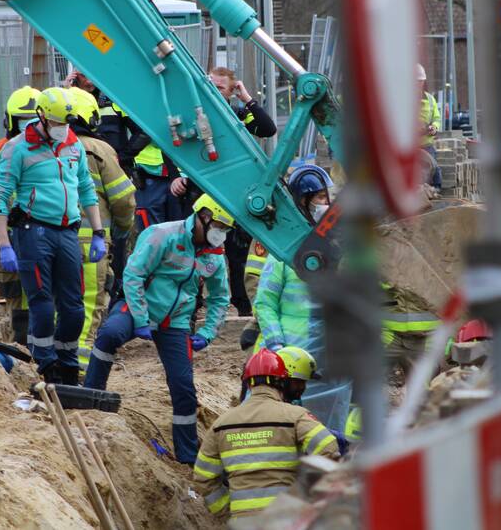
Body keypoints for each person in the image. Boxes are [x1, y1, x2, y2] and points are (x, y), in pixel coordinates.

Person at [84, 194, 232, 464]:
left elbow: (220, 297)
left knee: (184, 387)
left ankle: (187, 456)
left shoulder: (215, 257)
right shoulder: (162, 235)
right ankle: (91, 401)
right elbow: (134, 274)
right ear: (203, 217)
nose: (220, 234)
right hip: (138, 307)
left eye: (225, 229)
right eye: (218, 226)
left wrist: (208, 332)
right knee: (109, 335)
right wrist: (141, 319)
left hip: (175, 321)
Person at [0, 86, 107, 385]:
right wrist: (4, 244)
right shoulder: (17, 148)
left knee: (74, 307)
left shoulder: (73, 144)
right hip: (33, 231)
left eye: (66, 124)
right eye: (56, 124)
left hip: (67, 232)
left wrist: (97, 232)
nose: (61, 130)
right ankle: (44, 364)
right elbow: (0, 196)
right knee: (41, 305)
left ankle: (67, 364)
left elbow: (85, 188)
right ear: (41, 117)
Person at [251, 164, 352, 432]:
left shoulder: (344, 247)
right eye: (320, 198)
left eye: (328, 197)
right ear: (304, 202)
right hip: (288, 354)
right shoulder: (287, 252)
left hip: (332, 358)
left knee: (330, 429)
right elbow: (265, 301)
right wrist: (276, 344)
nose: (327, 204)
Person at [193, 348, 339, 519]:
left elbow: (203, 477)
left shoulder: (220, 425)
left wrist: (226, 511)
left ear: (248, 383)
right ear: (281, 381)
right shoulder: (295, 416)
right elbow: (328, 448)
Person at [65, 87, 137, 373]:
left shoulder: (36, 147)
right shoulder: (98, 149)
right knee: (88, 302)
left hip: (45, 240)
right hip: (89, 243)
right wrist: (122, 229)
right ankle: (78, 370)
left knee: (55, 300)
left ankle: (49, 365)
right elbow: (123, 199)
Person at [208, 67, 277, 317]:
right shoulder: (194, 109)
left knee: (237, 252)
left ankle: (243, 305)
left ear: (230, 91)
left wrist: (246, 98)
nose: (213, 91)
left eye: (220, 87)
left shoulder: (238, 114)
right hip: (201, 189)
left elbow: (267, 129)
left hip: (233, 189)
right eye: (210, 85)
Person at [0, 86, 40, 342]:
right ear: (10, 121)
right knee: (17, 297)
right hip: (9, 239)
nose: (28, 127)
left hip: (43, 236)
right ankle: (22, 349)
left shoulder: (54, 149)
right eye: (23, 121)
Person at [418, 64, 442, 189]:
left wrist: (434, 127)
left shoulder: (430, 99)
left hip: (427, 143)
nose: (418, 84)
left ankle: (436, 189)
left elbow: (437, 118)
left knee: (433, 167)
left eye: (420, 81)